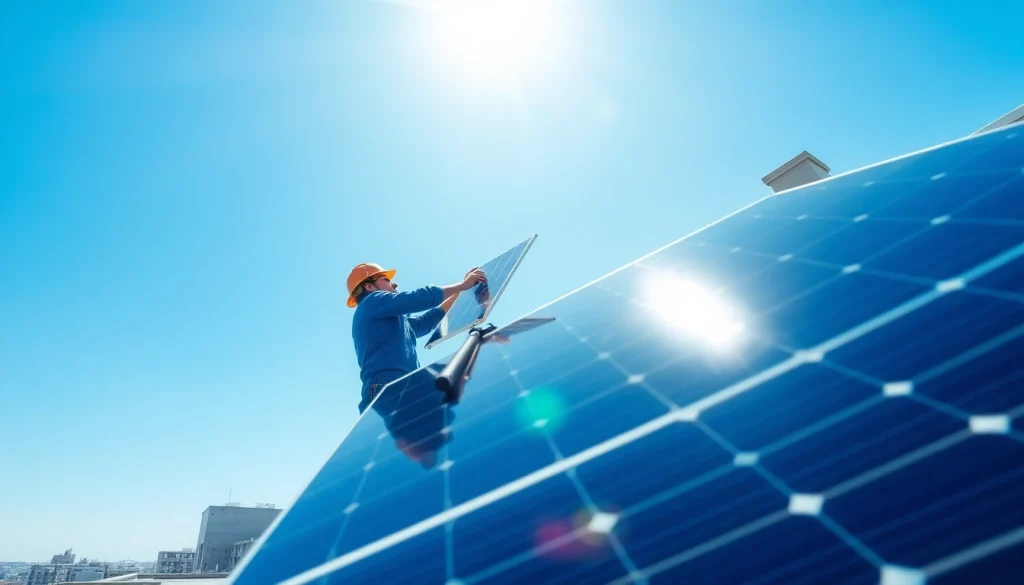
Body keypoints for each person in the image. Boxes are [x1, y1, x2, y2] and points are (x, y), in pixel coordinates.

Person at [347, 262, 487, 413]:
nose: (394, 284)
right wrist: (462, 285)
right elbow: (417, 298)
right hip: (386, 386)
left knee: (432, 425)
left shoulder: (392, 320)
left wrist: (462, 290)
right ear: (369, 287)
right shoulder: (371, 302)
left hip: (404, 384)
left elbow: (427, 321)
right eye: (386, 279)